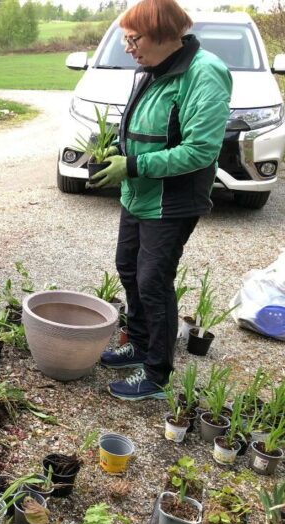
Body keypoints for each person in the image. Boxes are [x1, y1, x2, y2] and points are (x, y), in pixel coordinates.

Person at [90, 0, 232, 400]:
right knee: (129, 268)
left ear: (165, 35)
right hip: (138, 194)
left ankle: (156, 373)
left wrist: (132, 164)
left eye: (133, 39)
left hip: (172, 200)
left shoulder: (204, 73)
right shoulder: (154, 66)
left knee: (154, 281)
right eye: (125, 39)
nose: (128, 48)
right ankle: (137, 345)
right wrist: (112, 151)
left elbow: (201, 150)